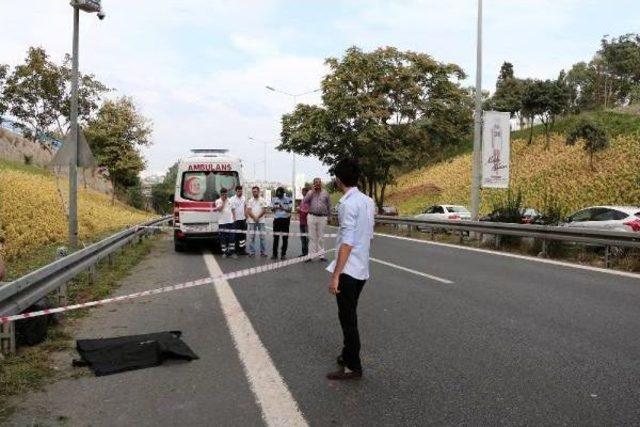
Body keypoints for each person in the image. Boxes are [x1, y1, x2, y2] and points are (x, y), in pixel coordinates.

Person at [326, 159, 375, 380]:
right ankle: (347, 355)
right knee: (350, 314)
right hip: (362, 268)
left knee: (348, 319)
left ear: (338, 180)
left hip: (348, 270)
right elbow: (368, 235)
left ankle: (352, 366)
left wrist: (336, 275)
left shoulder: (346, 204)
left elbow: (347, 242)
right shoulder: (367, 201)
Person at [303, 177, 331, 262]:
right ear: (314, 184)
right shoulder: (310, 192)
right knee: (312, 237)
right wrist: (312, 192)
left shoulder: (325, 193)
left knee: (321, 237)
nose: (318, 184)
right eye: (316, 182)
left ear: (321, 183)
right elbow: (305, 201)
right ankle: (310, 256)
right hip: (312, 216)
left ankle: (321, 255)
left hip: (322, 217)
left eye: (319, 182)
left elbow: (329, 205)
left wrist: (329, 216)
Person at [245, 186, 268, 257]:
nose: (254, 193)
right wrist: (254, 218)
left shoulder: (263, 200)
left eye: (255, 191)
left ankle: (263, 252)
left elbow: (264, 210)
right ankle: (252, 252)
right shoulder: (250, 200)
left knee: (262, 238)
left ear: (258, 191)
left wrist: (257, 218)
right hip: (252, 221)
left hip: (261, 221)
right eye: (253, 191)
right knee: (251, 237)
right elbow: (248, 211)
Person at [214, 188, 237, 259]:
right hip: (222, 223)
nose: (224, 195)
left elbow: (233, 209)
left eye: (225, 194)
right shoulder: (218, 201)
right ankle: (225, 252)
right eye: (223, 194)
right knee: (223, 238)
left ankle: (232, 252)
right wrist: (223, 202)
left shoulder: (230, 200)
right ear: (220, 194)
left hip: (230, 222)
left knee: (232, 238)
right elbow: (219, 209)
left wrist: (234, 218)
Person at [271, 186, 292, 260]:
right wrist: (275, 208)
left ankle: (283, 254)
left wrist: (283, 208)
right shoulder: (274, 199)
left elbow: (290, 210)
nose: (279, 195)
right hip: (277, 220)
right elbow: (272, 209)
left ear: (283, 193)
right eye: (278, 194)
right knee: (276, 238)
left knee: (285, 238)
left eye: (280, 194)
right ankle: (274, 254)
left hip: (285, 220)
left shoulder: (288, 199)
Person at [230, 185, 247, 255]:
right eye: (238, 191)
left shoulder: (244, 198)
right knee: (236, 235)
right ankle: (236, 250)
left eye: (241, 191)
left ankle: (242, 250)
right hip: (236, 220)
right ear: (236, 191)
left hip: (243, 219)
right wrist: (234, 219)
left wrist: (246, 216)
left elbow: (245, 206)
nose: (240, 192)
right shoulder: (232, 199)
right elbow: (232, 209)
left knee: (243, 236)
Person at [298, 187, 310, 257]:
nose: (302, 193)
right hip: (301, 222)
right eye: (302, 192)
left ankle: (308, 254)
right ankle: (304, 253)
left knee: (307, 239)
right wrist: (299, 210)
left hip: (307, 223)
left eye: (303, 191)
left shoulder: (309, 201)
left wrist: (301, 210)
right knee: (302, 238)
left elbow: (309, 210)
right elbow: (302, 210)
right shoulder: (302, 200)